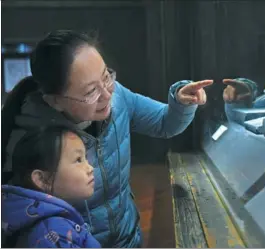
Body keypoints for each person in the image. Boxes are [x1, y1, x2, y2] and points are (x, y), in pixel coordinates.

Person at [1, 30, 213, 247]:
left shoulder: (117, 96)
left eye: (106, 76)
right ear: (55, 101)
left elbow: (164, 123)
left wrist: (182, 102)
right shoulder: (29, 141)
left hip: (128, 237)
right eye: (90, 91)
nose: (107, 94)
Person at [2, 126, 101, 248]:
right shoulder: (51, 235)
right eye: (78, 160)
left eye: (85, 158)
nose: (90, 168)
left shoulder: (54, 220)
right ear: (42, 179)